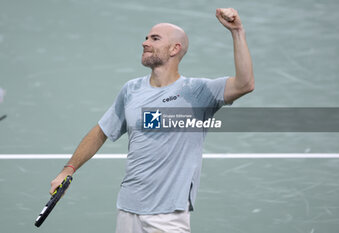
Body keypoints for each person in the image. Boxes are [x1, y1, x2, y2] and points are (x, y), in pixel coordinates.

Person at [50, 8, 254, 233]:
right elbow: (100, 132)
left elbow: (245, 84)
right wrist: (68, 169)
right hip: (128, 208)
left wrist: (237, 32)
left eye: (155, 39)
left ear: (175, 48)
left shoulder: (198, 92)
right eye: (146, 37)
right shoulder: (132, 90)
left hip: (168, 213)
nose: (145, 42)